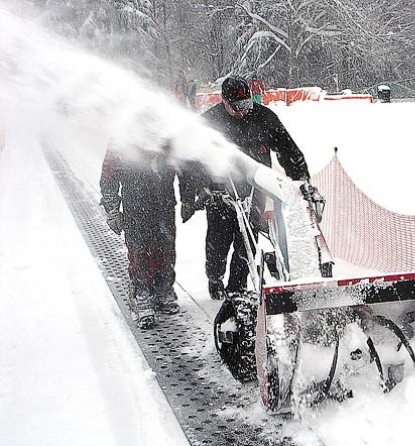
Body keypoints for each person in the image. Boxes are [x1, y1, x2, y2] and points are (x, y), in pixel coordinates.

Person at [181, 76, 321, 300]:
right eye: (237, 106)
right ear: (224, 102)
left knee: (247, 240)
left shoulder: (264, 117)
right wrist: (192, 195)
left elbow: (289, 151)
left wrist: (302, 180)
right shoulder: (210, 122)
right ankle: (215, 278)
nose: (243, 111)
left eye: (246, 104)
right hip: (219, 192)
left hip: (254, 189)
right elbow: (190, 162)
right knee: (218, 241)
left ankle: (237, 287)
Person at [100, 141, 182, 328]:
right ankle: (141, 293)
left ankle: (163, 287)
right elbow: (109, 174)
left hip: (164, 203)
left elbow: (183, 167)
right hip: (135, 203)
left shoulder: (167, 133)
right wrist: (112, 207)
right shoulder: (124, 134)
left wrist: (189, 197)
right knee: (139, 250)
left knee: (165, 247)